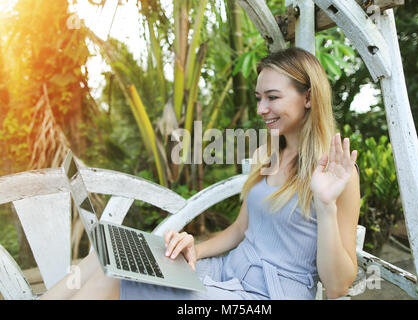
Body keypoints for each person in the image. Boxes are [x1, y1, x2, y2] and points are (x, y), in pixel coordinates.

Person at [40, 47, 360, 300]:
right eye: (259, 98)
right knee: (108, 254)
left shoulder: (335, 173)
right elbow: (239, 230)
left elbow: (337, 287)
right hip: (223, 273)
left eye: (273, 97)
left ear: (308, 97)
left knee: (114, 280)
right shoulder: (268, 154)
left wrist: (326, 205)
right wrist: (194, 246)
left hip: (264, 294)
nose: (262, 108)